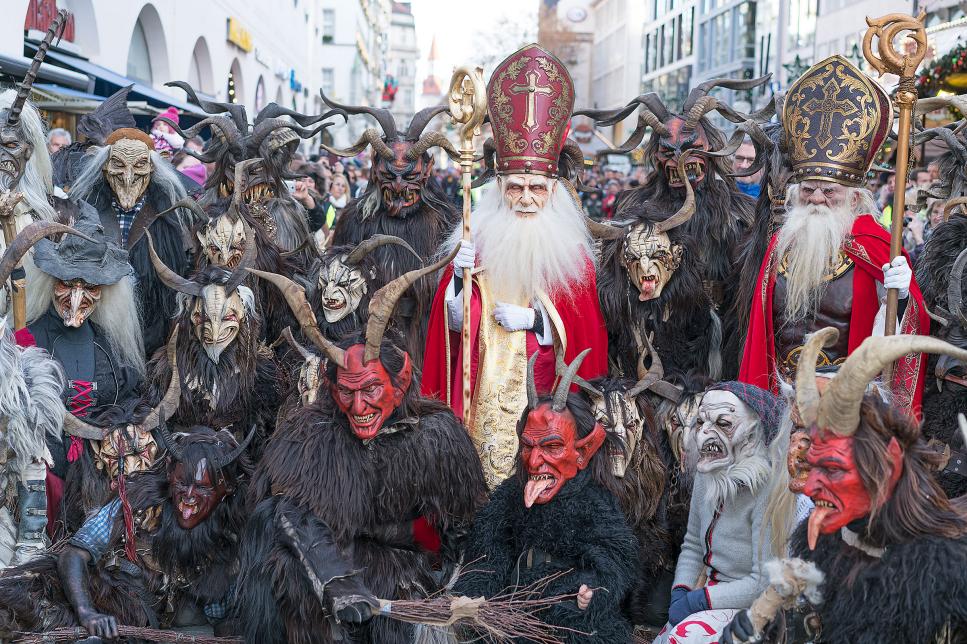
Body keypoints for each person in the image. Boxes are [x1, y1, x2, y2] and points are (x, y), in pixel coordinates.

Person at [235, 253, 486, 644]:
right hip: (322, 567)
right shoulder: (312, 434)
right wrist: (335, 582)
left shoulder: (435, 435)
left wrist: (456, 590)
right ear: (331, 389)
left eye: (371, 389)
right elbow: (291, 514)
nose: (358, 407)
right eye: (347, 392)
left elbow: (465, 524)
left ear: (400, 383)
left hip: (397, 569)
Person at [422, 43, 609, 487]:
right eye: (516, 187)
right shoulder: (477, 240)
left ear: (553, 189)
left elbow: (585, 334)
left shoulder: (572, 255)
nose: (525, 198)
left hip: (545, 396)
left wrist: (537, 321)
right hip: (482, 395)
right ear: (500, 186)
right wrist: (458, 282)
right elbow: (453, 329)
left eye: (536, 188)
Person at [723, 330, 967, 644]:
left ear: (887, 465)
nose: (811, 486)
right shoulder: (826, 543)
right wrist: (767, 632)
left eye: (834, 469)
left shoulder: (941, 575)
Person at [739, 55, 930, 415]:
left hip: (847, 401)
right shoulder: (781, 246)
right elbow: (761, 331)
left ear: (854, 198)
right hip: (781, 397)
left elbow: (904, 329)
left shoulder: (876, 246)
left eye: (829, 192)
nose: (816, 199)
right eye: (808, 189)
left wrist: (903, 298)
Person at [456, 351, 638, 643]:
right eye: (528, 447)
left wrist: (589, 590)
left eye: (551, 447)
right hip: (510, 615)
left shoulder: (595, 504)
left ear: (581, 452)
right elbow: (486, 558)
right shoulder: (510, 497)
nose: (534, 461)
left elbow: (613, 564)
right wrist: (477, 597)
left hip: (568, 622)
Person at [654, 381, 789, 644]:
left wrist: (698, 601)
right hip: (707, 592)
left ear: (752, 435)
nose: (704, 433)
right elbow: (693, 545)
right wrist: (680, 592)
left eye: (723, 423)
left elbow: (763, 582)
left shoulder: (768, 489)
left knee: (683, 638)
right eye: (701, 422)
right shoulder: (707, 474)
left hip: (752, 605)